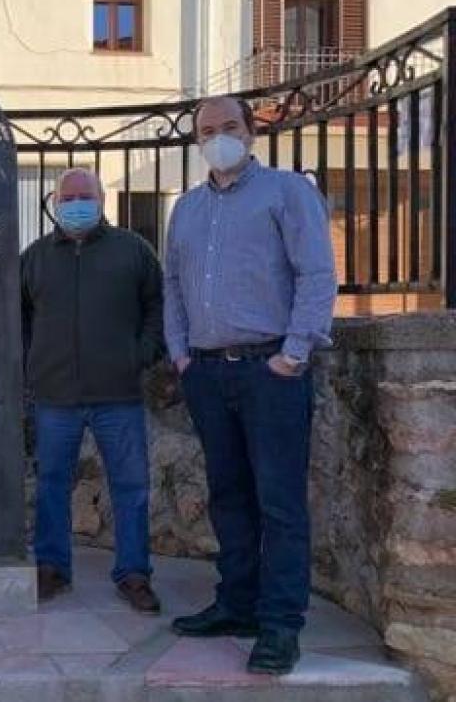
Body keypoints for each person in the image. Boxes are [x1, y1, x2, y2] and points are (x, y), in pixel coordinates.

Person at [164, 95, 336, 675]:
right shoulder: (185, 209)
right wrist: (182, 355)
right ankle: (236, 603)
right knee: (228, 496)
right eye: (207, 130)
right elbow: (173, 288)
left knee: (280, 503)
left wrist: (292, 355)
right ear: (196, 141)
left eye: (229, 127)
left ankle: (281, 624)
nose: (219, 137)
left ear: (251, 132)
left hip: (270, 373)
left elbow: (316, 274)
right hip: (208, 375)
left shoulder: (287, 193)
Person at [21, 167, 164, 613]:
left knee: (131, 486)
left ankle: (134, 573)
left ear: (102, 199)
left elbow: (158, 306)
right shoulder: (35, 257)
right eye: (69, 196)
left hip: (117, 393)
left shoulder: (133, 250)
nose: (77, 203)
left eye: (86, 194)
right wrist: (32, 361)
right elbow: (18, 316)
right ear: (55, 202)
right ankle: (52, 568)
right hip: (54, 394)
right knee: (51, 484)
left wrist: (140, 354)